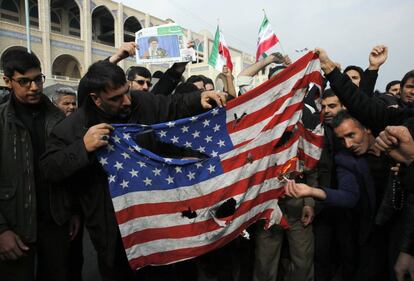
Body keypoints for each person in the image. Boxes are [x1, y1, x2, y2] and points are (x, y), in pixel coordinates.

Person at [39, 60, 227, 281]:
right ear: (95, 99)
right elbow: (49, 168)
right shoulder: (74, 127)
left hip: (156, 220)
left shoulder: (140, 102)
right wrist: (82, 147)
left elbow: (171, 105)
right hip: (112, 229)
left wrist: (198, 98)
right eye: (116, 98)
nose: (126, 101)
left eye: (126, 92)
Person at [316, 46, 414, 281]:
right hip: (376, 233)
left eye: (352, 136)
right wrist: (330, 69)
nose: (349, 144)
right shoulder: (348, 159)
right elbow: (364, 106)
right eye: (410, 87)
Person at [0, 49, 78, 281]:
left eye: (37, 79)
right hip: (14, 227)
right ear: (8, 81)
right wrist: (1, 230)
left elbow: (69, 168)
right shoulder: (2, 121)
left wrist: (72, 209)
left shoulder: (59, 119)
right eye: (24, 81)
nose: (33, 87)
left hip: (55, 223)